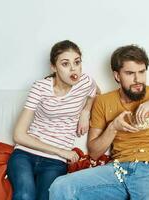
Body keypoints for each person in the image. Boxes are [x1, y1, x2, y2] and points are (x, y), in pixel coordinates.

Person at [49, 44, 149, 200]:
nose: (137, 79)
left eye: (141, 72)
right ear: (117, 76)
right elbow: (94, 152)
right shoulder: (103, 102)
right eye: (130, 73)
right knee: (61, 186)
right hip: (117, 170)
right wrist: (113, 127)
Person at [7, 40, 99, 200]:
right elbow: (19, 135)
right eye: (65, 64)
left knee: (46, 197)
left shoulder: (85, 82)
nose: (73, 68)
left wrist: (86, 111)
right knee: (25, 195)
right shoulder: (40, 88)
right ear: (54, 67)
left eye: (77, 62)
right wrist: (61, 151)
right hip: (25, 155)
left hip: (55, 163)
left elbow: (96, 92)